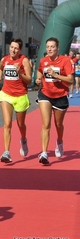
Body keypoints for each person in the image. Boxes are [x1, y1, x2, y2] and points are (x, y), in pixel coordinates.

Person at [35, 37, 74, 165]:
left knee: (58, 124)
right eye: (48, 47)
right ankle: (44, 152)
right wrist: (38, 79)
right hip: (45, 94)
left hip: (60, 96)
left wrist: (56, 76)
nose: (50, 49)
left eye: (52, 47)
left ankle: (60, 141)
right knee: (46, 124)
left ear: (58, 48)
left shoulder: (65, 61)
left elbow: (70, 80)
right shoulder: (43, 61)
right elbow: (40, 71)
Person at [0, 38, 32, 163]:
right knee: (7, 123)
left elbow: (29, 80)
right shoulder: (4, 59)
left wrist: (20, 73)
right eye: (11, 47)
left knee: (20, 124)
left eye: (16, 48)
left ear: (20, 50)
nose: (13, 50)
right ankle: (6, 152)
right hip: (6, 94)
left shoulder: (24, 60)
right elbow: (0, 68)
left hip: (20, 95)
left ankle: (23, 140)